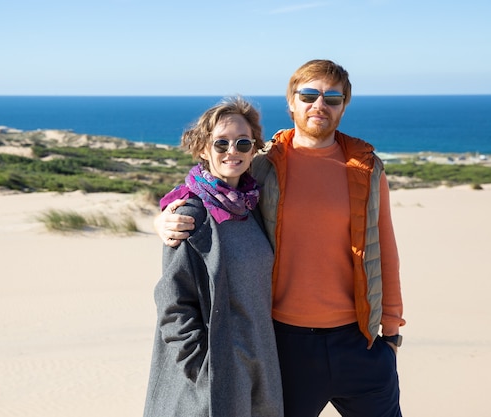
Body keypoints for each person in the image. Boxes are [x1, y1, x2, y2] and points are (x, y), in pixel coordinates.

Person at [155, 60, 406, 417]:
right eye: (309, 95)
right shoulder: (263, 165)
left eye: (332, 98)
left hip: (359, 344)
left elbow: (385, 250)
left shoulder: (367, 169)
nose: (320, 105)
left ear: (344, 106)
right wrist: (162, 217)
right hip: (283, 347)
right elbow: (206, 188)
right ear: (291, 102)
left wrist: (392, 335)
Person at [143, 96, 283, 417]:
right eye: (221, 144)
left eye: (242, 143)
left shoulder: (253, 207)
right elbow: (173, 304)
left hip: (261, 367)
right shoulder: (190, 212)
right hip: (215, 377)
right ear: (204, 150)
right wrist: (203, 371)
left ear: (253, 149)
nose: (232, 151)